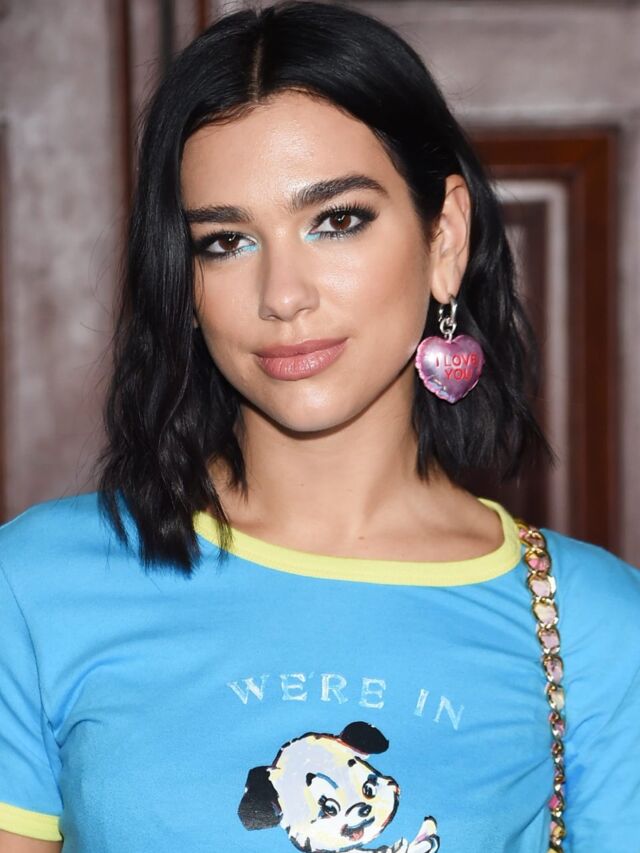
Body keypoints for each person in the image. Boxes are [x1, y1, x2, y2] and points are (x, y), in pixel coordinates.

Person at [0, 1, 638, 851]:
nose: (283, 295)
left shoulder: (597, 627)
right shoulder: (35, 587)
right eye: (226, 240)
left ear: (445, 238)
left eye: (336, 221)